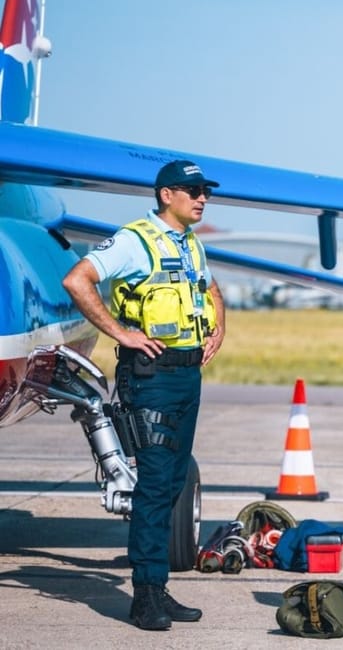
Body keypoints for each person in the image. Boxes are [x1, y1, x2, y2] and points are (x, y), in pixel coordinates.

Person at [62, 159, 226, 631]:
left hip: (186, 375)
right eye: (192, 190)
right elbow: (78, 280)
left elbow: (208, 286)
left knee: (173, 482)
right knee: (154, 486)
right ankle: (145, 595)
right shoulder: (134, 240)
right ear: (165, 195)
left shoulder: (190, 243)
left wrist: (218, 328)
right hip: (151, 378)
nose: (202, 198)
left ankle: (158, 587)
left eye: (205, 191)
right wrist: (122, 333)